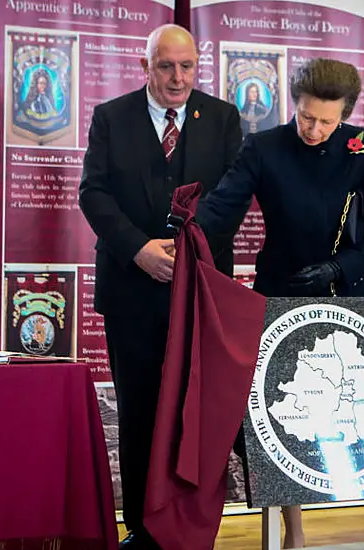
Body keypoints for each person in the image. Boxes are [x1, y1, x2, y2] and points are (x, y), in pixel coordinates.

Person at [195, 57, 364, 549]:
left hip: (348, 293)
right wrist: (185, 228)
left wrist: (341, 267)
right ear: (295, 104)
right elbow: (223, 206)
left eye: (326, 122)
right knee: (281, 417)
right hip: (281, 290)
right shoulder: (264, 147)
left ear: (345, 115)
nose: (313, 129)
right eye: (306, 117)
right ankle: (294, 534)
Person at [78, 24, 242, 549]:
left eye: (187, 66)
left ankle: (189, 524)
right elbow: (94, 194)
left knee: (195, 408)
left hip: (199, 291)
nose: (178, 77)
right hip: (131, 289)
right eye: (166, 66)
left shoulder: (221, 118)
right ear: (145, 66)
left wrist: (192, 250)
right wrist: (139, 250)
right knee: (140, 407)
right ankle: (143, 528)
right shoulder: (112, 117)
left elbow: (232, 198)